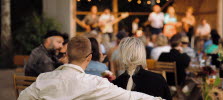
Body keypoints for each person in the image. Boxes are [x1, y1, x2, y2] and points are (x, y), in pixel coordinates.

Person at [18, 36, 163, 100]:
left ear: (67, 55)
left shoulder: (43, 79)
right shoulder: (96, 84)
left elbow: (23, 97)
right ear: (89, 58)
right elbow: (130, 97)